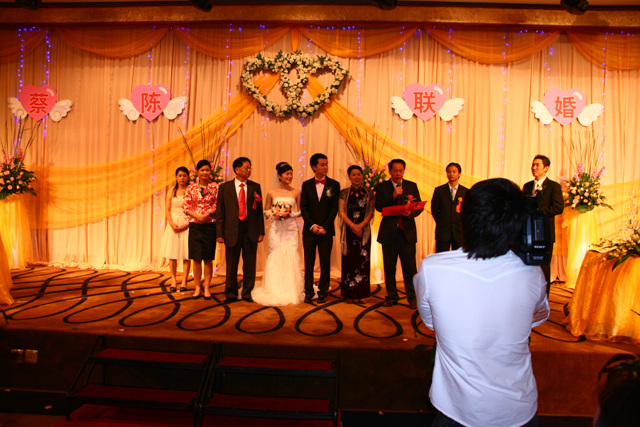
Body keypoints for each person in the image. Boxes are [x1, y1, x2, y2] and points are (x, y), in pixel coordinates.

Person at [414, 178, 550, 427]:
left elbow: (431, 322)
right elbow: (536, 317)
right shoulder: (533, 274)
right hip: (519, 410)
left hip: (457, 410)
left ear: (465, 217)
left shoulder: (432, 269)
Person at [252, 162, 304, 306]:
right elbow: (265, 211)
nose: (290, 176)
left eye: (291, 174)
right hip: (276, 229)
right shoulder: (271, 193)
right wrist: (274, 213)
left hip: (291, 229)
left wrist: (290, 214)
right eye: (287, 174)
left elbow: (301, 211)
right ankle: (275, 289)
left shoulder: (296, 192)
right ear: (279, 176)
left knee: (291, 255)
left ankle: (291, 289)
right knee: (276, 255)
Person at [374, 159, 423, 309]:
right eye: (395, 170)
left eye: (401, 170)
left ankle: (412, 297)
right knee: (389, 267)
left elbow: (419, 206)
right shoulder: (382, 186)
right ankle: (392, 296)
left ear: (404, 171)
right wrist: (393, 195)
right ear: (390, 171)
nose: (398, 173)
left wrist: (410, 213)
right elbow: (378, 206)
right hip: (389, 232)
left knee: (410, 267)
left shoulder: (411, 186)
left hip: (406, 232)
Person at [216, 157, 265, 303]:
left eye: (250, 168)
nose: (249, 170)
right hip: (231, 230)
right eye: (246, 168)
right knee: (231, 264)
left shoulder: (255, 187)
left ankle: (247, 292)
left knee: (250, 264)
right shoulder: (225, 188)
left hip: (250, 230)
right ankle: (230, 293)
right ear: (237, 170)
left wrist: (261, 231)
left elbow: (259, 211)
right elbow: (220, 212)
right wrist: (219, 233)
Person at [300, 153, 340, 304]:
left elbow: (334, 208)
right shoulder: (306, 185)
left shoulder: (334, 185)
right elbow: (304, 207)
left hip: (326, 230)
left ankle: (323, 291)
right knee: (308, 263)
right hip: (309, 231)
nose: (325, 167)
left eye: (326, 164)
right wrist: (312, 226)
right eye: (322, 164)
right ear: (314, 167)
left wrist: (325, 227)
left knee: (325, 262)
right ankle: (308, 291)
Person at [522, 154, 564, 293]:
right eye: (533, 165)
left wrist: (539, 212)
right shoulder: (527, 186)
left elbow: (558, 208)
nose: (534, 168)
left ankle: (544, 297)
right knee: (528, 266)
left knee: (543, 267)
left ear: (546, 168)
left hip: (544, 233)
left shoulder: (553, 186)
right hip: (528, 233)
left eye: (537, 165)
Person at [338, 165, 374, 304]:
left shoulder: (369, 192)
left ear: (362, 176)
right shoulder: (344, 193)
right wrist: (353, 226)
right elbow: (341, 212)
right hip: (348, 232)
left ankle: (361, 294)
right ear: (349, 176)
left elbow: (371, 212)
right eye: (353, 174)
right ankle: (349, 294)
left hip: (364, 232)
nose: (356, 177)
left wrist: (361, 226)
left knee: (363, 261)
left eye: (359, 174)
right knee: (349, 261)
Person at [183, 160, 218, 300]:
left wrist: (207, 214)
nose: (205, 172)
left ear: (210, 171)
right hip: (195, 225)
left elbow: (218, 204)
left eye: (207, 170)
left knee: (208, 258)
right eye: (202, 170)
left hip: (210, 224)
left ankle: (207, 287)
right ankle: (197, 287)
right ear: (197, 172)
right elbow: (186, 207)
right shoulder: (191, 188)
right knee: (196, 258)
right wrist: (197, 216)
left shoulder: (216, 187)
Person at [161, 166, 191, 292]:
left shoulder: (191, 190)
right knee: (172, 254)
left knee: (186, 254)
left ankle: (184, 281)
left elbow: (194, 209)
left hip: (187, 222)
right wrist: (171, 224)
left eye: (184, 175)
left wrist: (188, 223)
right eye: (180, 175)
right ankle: (173, 280)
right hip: (173, 223)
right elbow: (167, 210)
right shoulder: (171, 191)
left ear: (188, 177)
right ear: (176, 177)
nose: (182, 178)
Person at [430, 162, 468, 253]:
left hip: (459, 231)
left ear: (459, 174)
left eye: (454, 172)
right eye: (449, 171)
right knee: (441, 257)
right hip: (443, 231)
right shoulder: (439, 190)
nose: (451, 174)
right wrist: (442, 221)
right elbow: (434, 209)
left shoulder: (465, 191)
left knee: (458, 258)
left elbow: (467, 211)